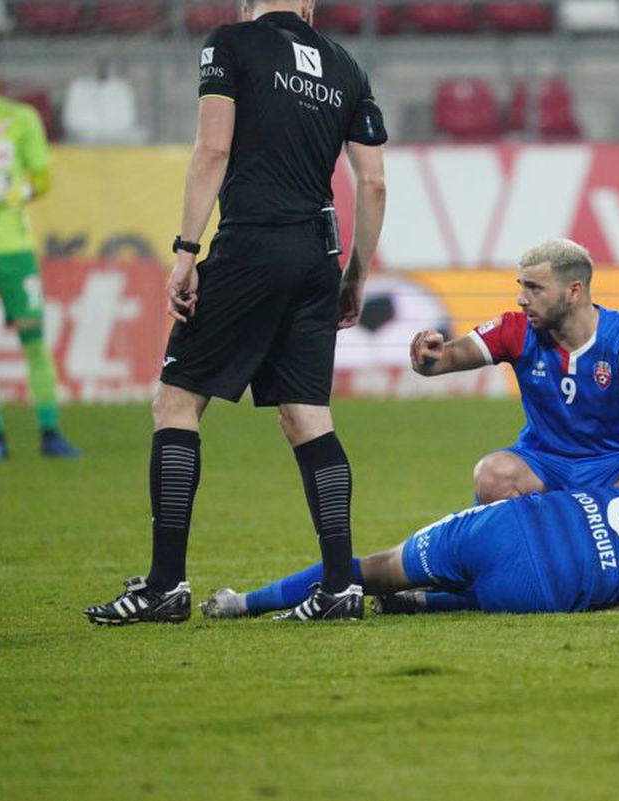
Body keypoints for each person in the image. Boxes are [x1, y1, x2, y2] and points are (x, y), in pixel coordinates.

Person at [84, 0, 388, 625]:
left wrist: (186, 251)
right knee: (307, 417)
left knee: (176, 402)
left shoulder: (231, 42)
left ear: (248, 3)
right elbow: (374, 182)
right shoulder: (346, 65)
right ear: (309, 6)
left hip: (252, 244)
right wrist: (355, 274)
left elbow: (211, 151)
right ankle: (340, 587)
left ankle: (165, 586)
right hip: (316, 256)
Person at [410, 238, 619, 518]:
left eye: (534, 288)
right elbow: (448, 357)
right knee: (492, 475)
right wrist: (428, 359)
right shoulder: (515, 330)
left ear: (574, 291)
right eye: (522, 286)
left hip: (614, 463)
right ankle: (520, 557)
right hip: (542, 463)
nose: (521, 299)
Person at [199, 486, 619, 619]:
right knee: (503, 596)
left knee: (374, 568)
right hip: (537, 591)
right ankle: (425, 603)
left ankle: (241, 603)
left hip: (509, 524)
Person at [0, 40, 81, 461]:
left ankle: (49, 431)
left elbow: (42, 177)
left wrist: (18, 190)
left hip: (13, 246)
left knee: (32, 337)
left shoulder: (20, 118)